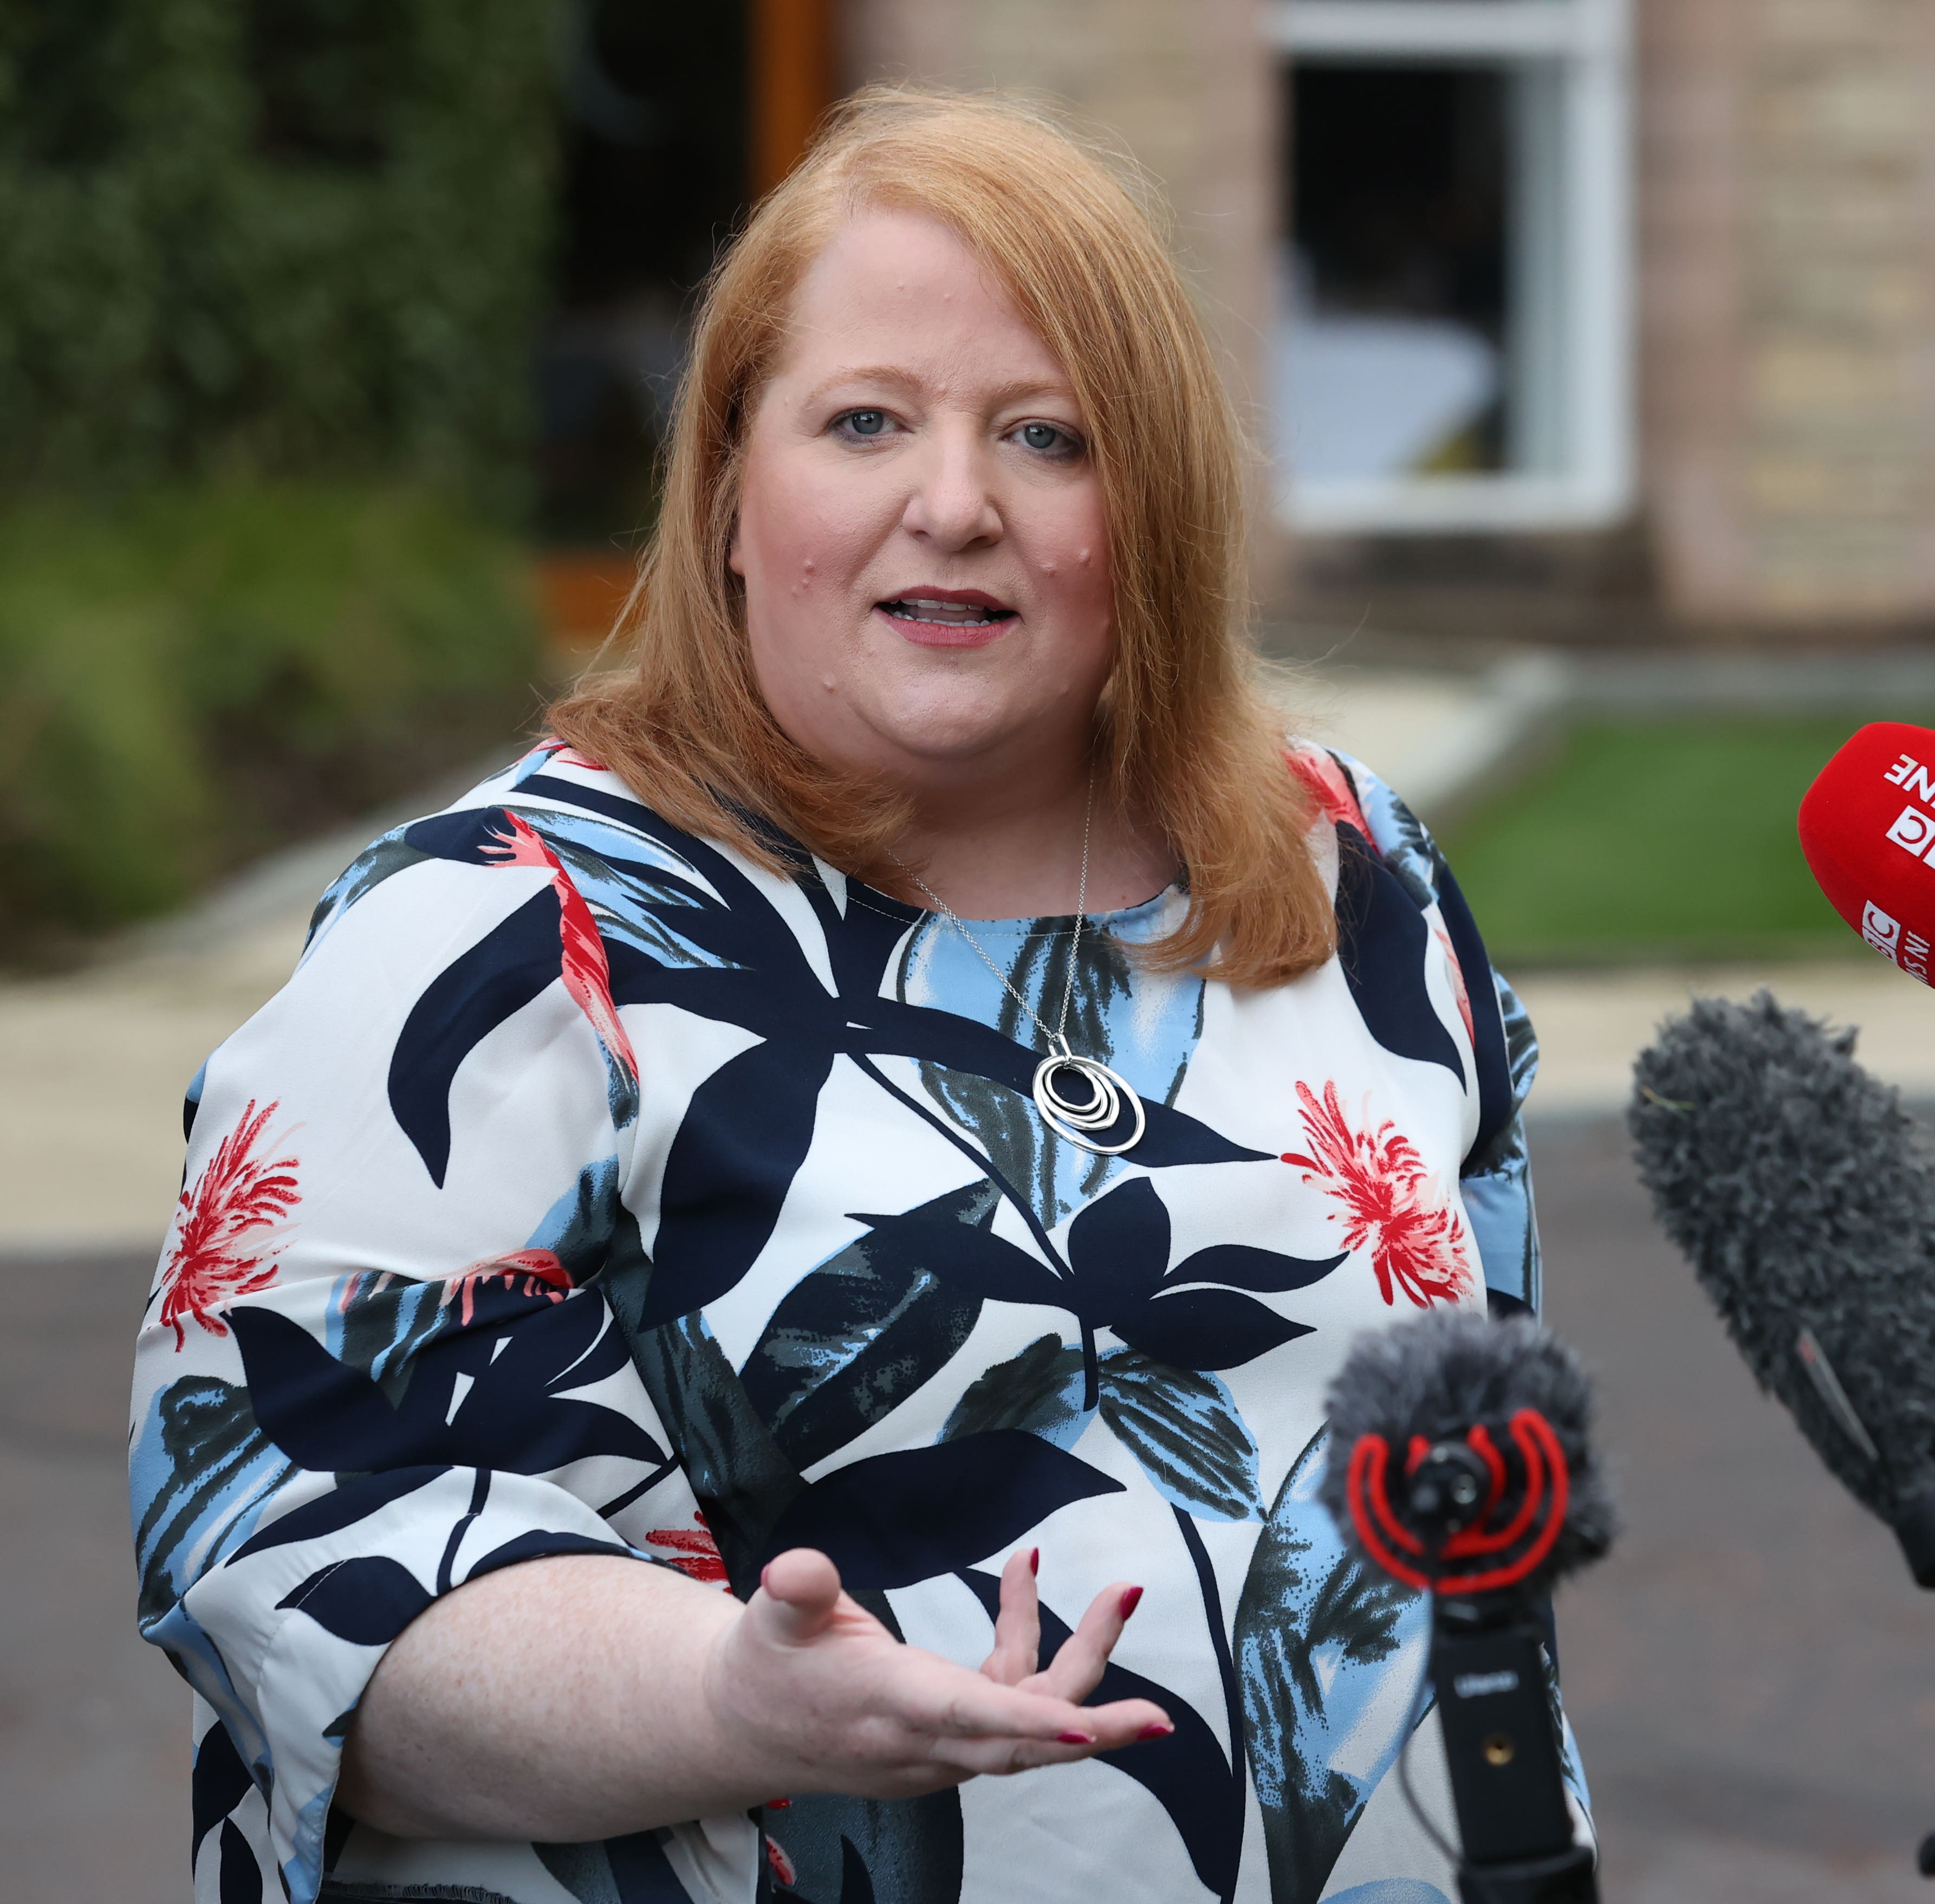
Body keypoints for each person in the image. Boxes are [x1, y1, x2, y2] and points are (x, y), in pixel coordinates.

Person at [129, 87, 1566, 1904]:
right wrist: (734, 1700)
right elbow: (265, 1536)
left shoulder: (1362, 879)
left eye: (1048, 437)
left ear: (1156, 509)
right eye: (866, 421)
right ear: (733, 490)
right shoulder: (490, 935)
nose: (952, 504)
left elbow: (1491, 1462)